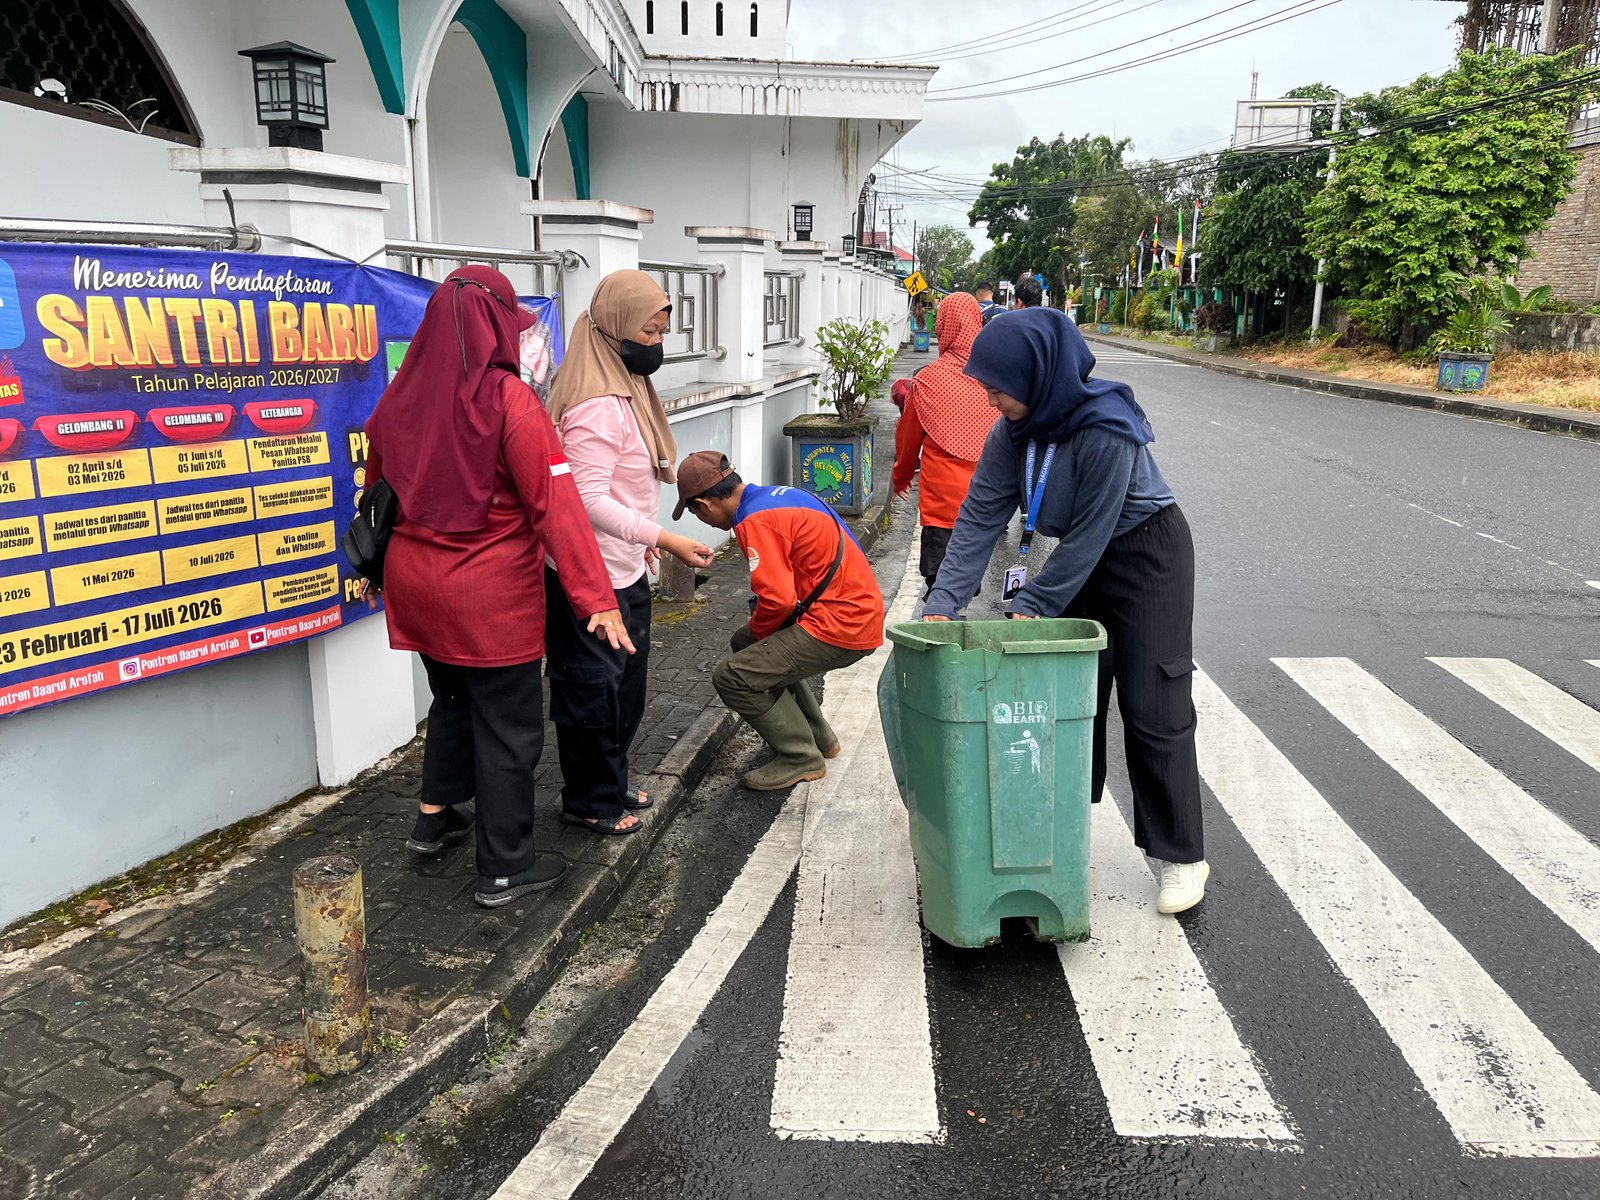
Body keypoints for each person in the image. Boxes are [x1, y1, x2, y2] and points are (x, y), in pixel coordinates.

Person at [921, 307, 1208, 915]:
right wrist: (942, 603)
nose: (991, 398)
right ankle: (1063, 825)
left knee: (1152, 702)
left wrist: (1034, 603)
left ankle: (1181, 856)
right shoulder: (1011, 433)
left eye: (999, 387)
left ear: (1038, 374)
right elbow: (978, 517)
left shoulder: (1108, 426)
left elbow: (1095, 530)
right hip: (1077, 558)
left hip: (1145, 553)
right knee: (1061, 701)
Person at [365, 266, 634, 908]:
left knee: (453, 700)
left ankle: (435, 818)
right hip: (487, 598)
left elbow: (377, 491)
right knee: (509, 728)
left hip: (416, 586)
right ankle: (506, 866)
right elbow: (556, 507)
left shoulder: (400, 397)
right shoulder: (510, 400)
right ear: (495, 329)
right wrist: (597, 599)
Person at [545, 271, 715, 836]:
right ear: (615, 327)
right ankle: (589, 800)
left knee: (624, 687)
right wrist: (663, 539)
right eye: (649, 331)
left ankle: (611, 781)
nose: (657, 343)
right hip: (588, 577)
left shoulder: (628, 387)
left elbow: (626, 485)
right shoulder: (597, 405)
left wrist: (639, 546)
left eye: (663, 331)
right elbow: (587, 499)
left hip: (621, 565)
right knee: (593, 692)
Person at [674, 452, 884, 791]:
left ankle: (801, 756)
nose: (702, 520)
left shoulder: (754, 520)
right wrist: (756, 635)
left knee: (732, 676)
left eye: (695, 512)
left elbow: (778, 600)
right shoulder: (778, 496)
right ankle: (818, 735)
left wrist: (759, 632)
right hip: (858, 613)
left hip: (841, 625)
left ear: (703, 504)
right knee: (746, 644)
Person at [892, 292, 999, 597]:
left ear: (943, 326)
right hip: (983, 503)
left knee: (939, 591)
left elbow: (908, 442)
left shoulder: (927, 380)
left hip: (941, 506)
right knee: (964, 586)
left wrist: (901, 479)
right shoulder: (995, 377)